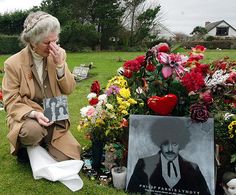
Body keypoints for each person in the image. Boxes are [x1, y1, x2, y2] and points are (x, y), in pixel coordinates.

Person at [2, 11, 81, 163]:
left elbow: (69, 89)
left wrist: (60, 65)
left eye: (55, 40)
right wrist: (34, 114)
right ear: (32, 41)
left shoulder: (59, 54)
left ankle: (42, 145)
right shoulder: (12, 64)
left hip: (54, 114)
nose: (53, 47)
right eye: (47, 43)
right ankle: (28, 146)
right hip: (28, 116)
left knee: (70, 158)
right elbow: (10, 101)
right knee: (32, 132)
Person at [127, 118, 211, 195]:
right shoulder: (143, 163)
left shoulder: (193, 168)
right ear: (159, 143)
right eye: (165, 144)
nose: (170, 149)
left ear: (181, 143)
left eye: (174, 144)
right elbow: (132, 192)